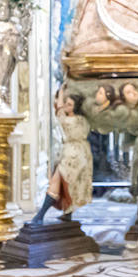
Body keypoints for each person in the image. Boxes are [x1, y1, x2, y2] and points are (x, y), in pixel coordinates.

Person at [31, 92, 93, 224]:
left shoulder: (71, 120)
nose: (65, 106)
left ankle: (40, 216)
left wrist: (61, 92)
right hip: (80, 154)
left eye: (69, 104)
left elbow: (59, 111)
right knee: (67, 185)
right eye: (66, 103)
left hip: (73, 155)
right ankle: (67, 214)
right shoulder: (83, 120)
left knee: (57, 181)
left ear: (75, 107)